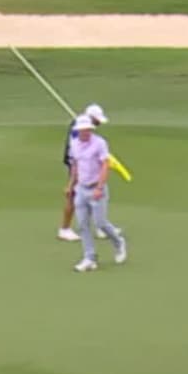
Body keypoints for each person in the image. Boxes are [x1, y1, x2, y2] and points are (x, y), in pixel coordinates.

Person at [65, 115, 126, 272]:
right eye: (82, 130)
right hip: (81, 189)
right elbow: (75, 166)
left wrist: (99, 187)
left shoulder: (99, 143)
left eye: (87, 130)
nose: (85, 133)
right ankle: (89, 257)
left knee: (101, 223)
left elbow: (105, 165)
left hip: (96, 189)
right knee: (82, 225)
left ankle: (119, 243)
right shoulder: (74, 144)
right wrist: (70, 185)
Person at [57, 103, 112, 242]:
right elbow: (78, 148)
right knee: (74, 194)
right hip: (77, 164)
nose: (99, 122)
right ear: (91, 117)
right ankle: (65, 229)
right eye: (97, 120)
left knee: (91, 193)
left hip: (82, 163)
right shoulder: (78, 128)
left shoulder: (83, 126)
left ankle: (100, 226)